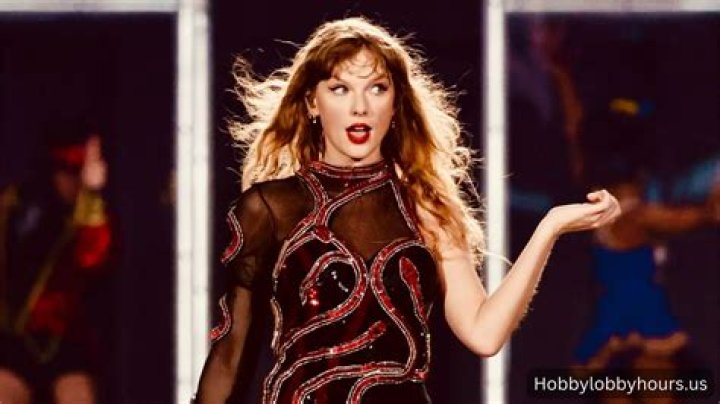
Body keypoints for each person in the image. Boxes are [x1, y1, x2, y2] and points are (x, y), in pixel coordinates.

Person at [195, 17, 620, 403]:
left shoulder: (426, 207)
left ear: (396, 103)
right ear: (311, 102)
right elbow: (231, 353)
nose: (360, 107)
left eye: (377, 88)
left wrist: (549, 228)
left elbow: (484, 333)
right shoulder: (270, 208)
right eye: (340, 89)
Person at [573, 167, 720, 404]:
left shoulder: (625, 217)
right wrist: (707, 212)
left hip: (643, 322)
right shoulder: (627, 217)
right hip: (626, 327)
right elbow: (673, 219)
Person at [0, 131, 112, 404]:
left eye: (78, 171)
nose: (71, 180)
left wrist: (92, 195)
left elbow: (93, 258)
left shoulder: (90, 213)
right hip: (15, 339)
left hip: (66, 343)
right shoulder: (17, 204)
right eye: (66, 171)